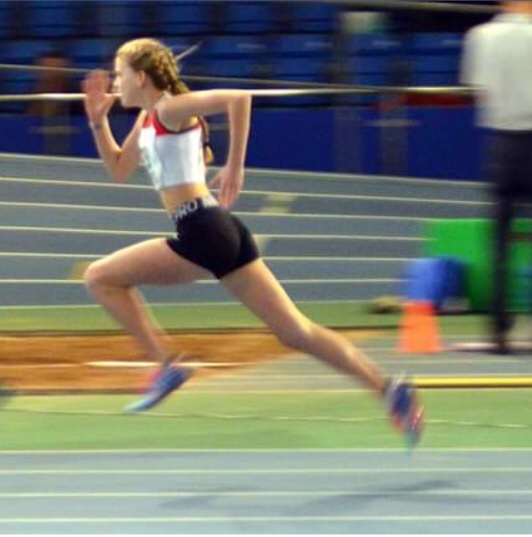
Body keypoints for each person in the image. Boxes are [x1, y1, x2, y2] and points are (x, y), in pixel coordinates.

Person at [81, 38, 423, 444]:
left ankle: (167, 363)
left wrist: (234, 166)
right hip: (218, 230)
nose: (115, 83)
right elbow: (119, 169)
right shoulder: (147, 119)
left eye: (119, 74)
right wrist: (98, 122)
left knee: (100, 277)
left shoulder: (171, 109)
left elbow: (239, 98)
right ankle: (390, 389)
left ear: (141, 77)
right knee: (296, 332)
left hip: (201, 230)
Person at [461, 1, 532, 354]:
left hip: (501, 144)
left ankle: (499, 331)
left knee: (500, 243)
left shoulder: (480, 36)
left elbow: (480, 90)